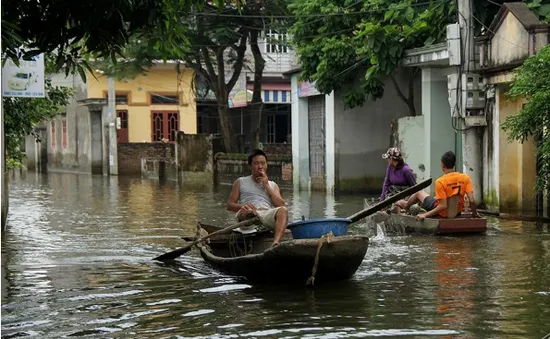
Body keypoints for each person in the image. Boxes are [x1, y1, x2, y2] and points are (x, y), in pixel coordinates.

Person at [227, 149, 288, 248]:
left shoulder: (273, 185)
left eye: (263, 163)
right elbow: (230, 205)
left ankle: (275, 242)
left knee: (283, 211)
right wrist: (244, 206)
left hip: (264, 215)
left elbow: (281, 205)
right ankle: (251, 214)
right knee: (249, 212)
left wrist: (266, 186)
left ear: (266, 165)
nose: (260, 167)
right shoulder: (240, 181)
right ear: (250, 165)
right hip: (246, 213)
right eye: (256, 163)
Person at [396, 151, 480, 221]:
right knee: (435, 197)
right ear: (454, 164)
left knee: (419, 193)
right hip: (457, 210)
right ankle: (412, 204)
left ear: (442, 165)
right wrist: (474, 214)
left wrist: (425, 215)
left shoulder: (440, 181)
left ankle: (406, 205)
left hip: (443, 213)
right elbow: (472, 200)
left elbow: (443, 206)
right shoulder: (465, 178)